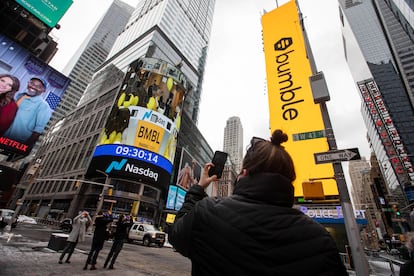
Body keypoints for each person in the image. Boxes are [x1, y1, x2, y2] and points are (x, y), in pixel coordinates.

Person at [169, 129, 348, 275]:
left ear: (244, 173)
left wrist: (198, 189)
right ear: (289, 180)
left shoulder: (207, 213)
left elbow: (176, 234)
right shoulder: (321, 240)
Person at [4, 77, 52, 146]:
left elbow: (39, 130)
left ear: (43, 90)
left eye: (38, 86)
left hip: (15, 143)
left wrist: (23, 148)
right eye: (32, 83)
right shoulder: (19, 96)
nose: (33, 86)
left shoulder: (43, 106)